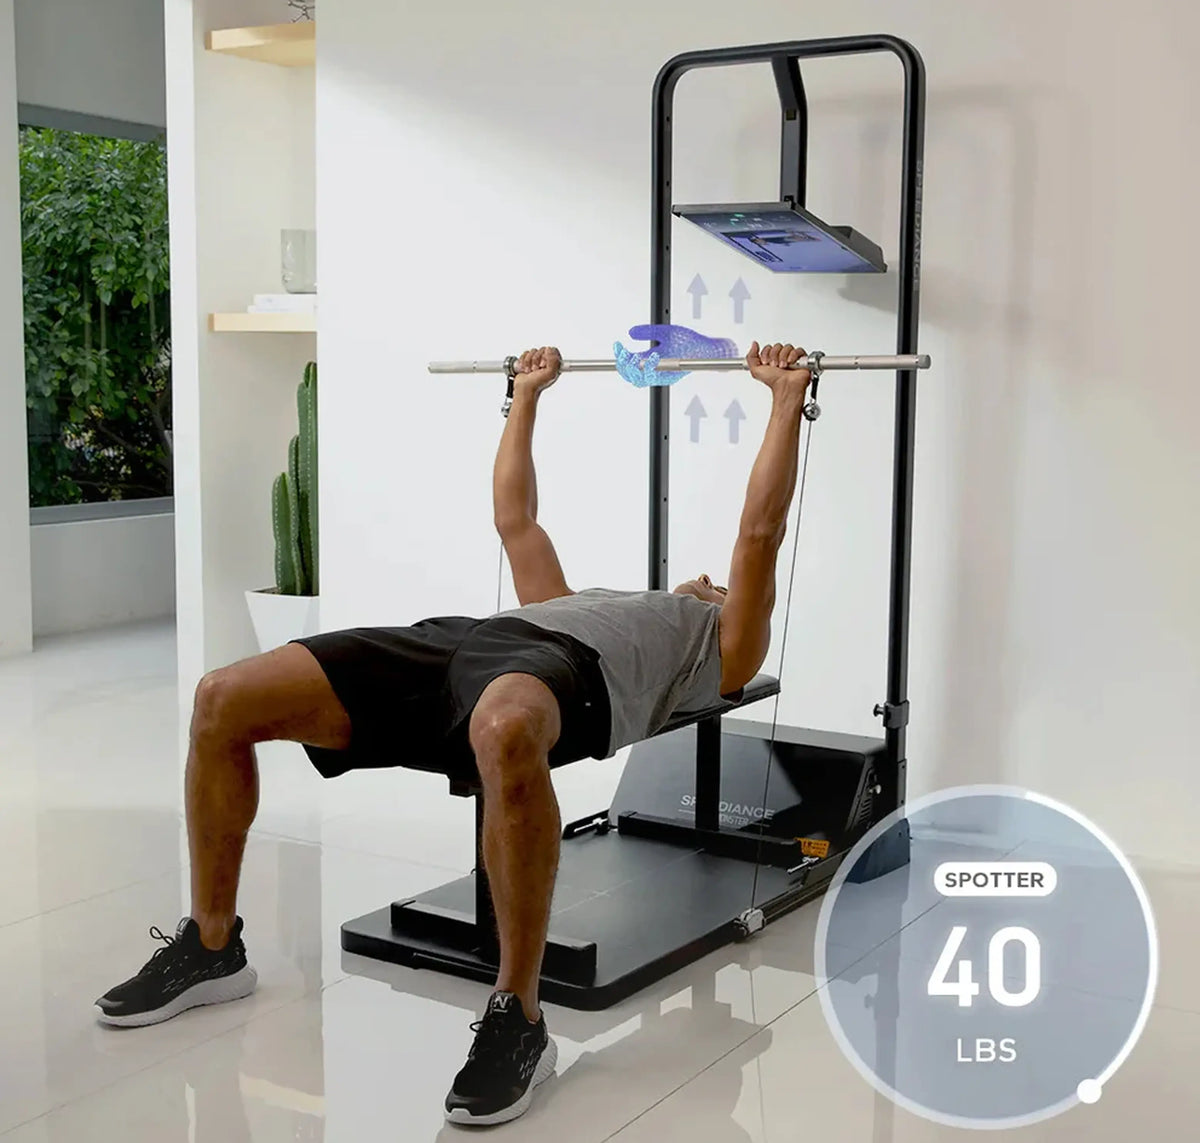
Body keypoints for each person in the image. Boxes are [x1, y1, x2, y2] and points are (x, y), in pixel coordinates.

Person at [94, 340, 813, 1126]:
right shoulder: (577, 598)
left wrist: (783, 402)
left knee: (504, 725)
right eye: (703, 580)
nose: (703, 579)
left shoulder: (718, 645)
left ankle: (519, 1019)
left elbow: (757, 538)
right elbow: (515, 517)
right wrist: (527, 397)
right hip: (461, 642)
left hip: (556, 675)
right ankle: (211, 944)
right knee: (221, 696)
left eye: (715, 585)